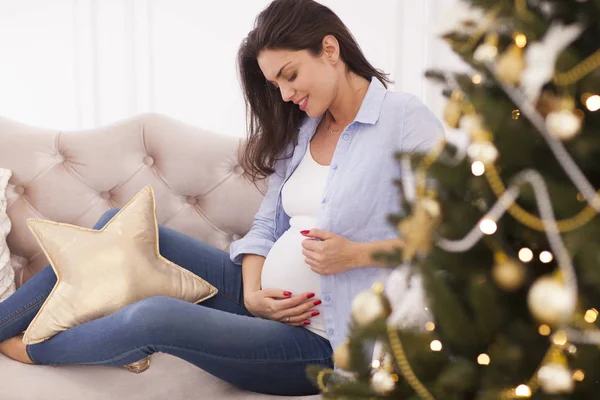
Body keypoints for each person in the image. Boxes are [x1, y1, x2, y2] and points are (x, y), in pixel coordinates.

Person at [0, 0, 443, 396]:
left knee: (156, 316)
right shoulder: (304, 129)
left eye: (289, 75)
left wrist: (357, 254)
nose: (286, 94)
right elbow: (268, 225)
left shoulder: (403, 120)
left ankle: (35, 350)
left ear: (330, 49)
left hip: (322, 342)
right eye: (276, 84)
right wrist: (252, 291)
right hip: (262, 304)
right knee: (121, 226)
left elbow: (451, 238)